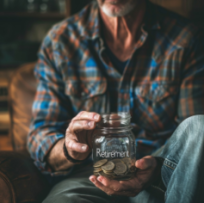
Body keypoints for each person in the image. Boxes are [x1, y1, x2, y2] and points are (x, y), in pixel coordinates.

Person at [28, 0, 204, 202]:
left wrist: (158, 166)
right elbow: (40, 132)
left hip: (161, 174)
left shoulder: (186, 39)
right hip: (89, 176)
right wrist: (69, 149)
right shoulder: (61, 40)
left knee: (200, 126)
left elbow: (192, 138)